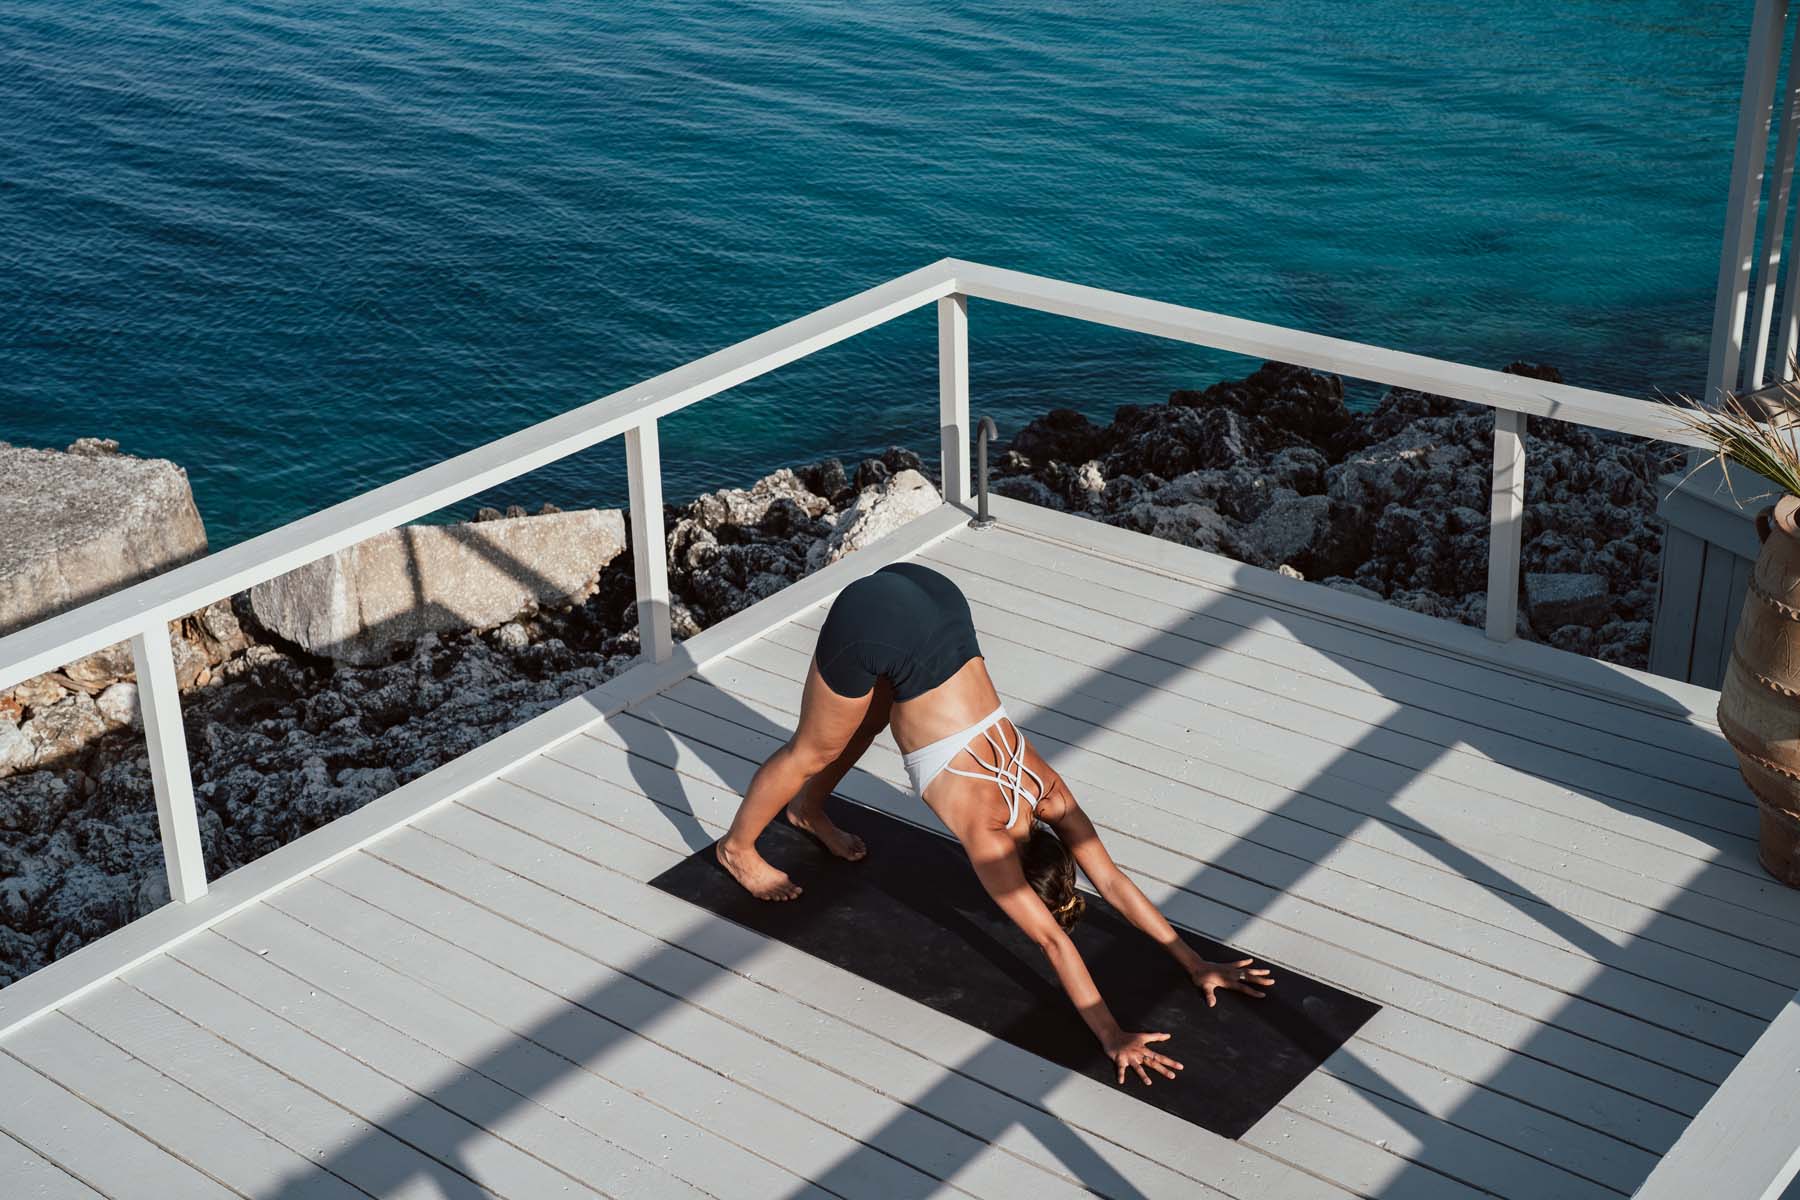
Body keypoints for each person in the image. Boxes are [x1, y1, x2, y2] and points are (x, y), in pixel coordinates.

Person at [714, 561, 1274, 1086]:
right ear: (1012, 868)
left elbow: (1111, 882)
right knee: (812, 749)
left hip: (936, 602)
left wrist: (1195, 962)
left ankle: (807, 810)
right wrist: (1112, 1035)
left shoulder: (1045, 791)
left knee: (872, 713)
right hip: (878, 620)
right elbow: (1053, 942)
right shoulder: (985, 837)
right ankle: (739, 848)